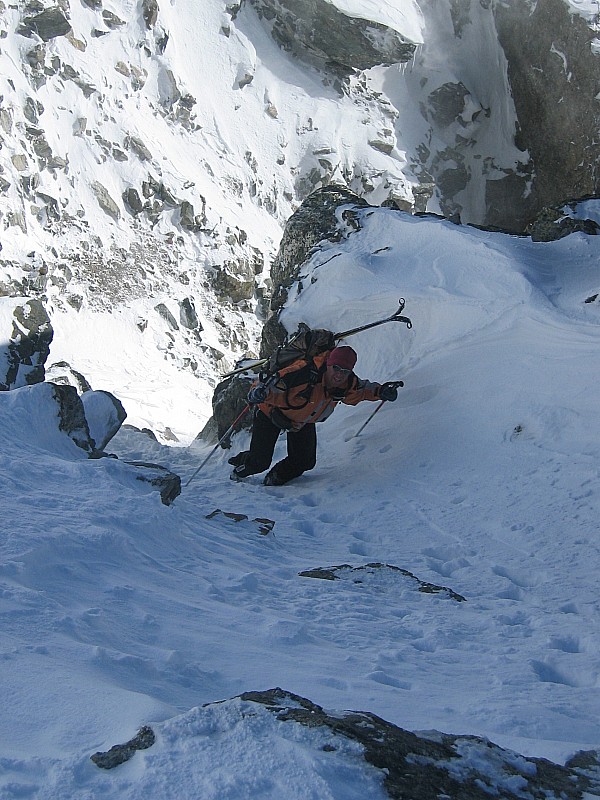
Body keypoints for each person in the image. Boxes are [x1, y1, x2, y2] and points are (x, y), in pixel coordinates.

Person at [228, 345, 399, 486]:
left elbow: (361, 390)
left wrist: (381, 391)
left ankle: (276, 477)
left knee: (305, 461)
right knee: (259, 462)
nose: (339, 374)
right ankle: (241, 466)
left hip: (302, 420)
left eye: (345, 371)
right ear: (328, 365)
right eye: (336, 368)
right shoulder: (301, 375)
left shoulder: (346, 384)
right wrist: (256, 394)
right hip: (270, 413)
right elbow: (266, 385)